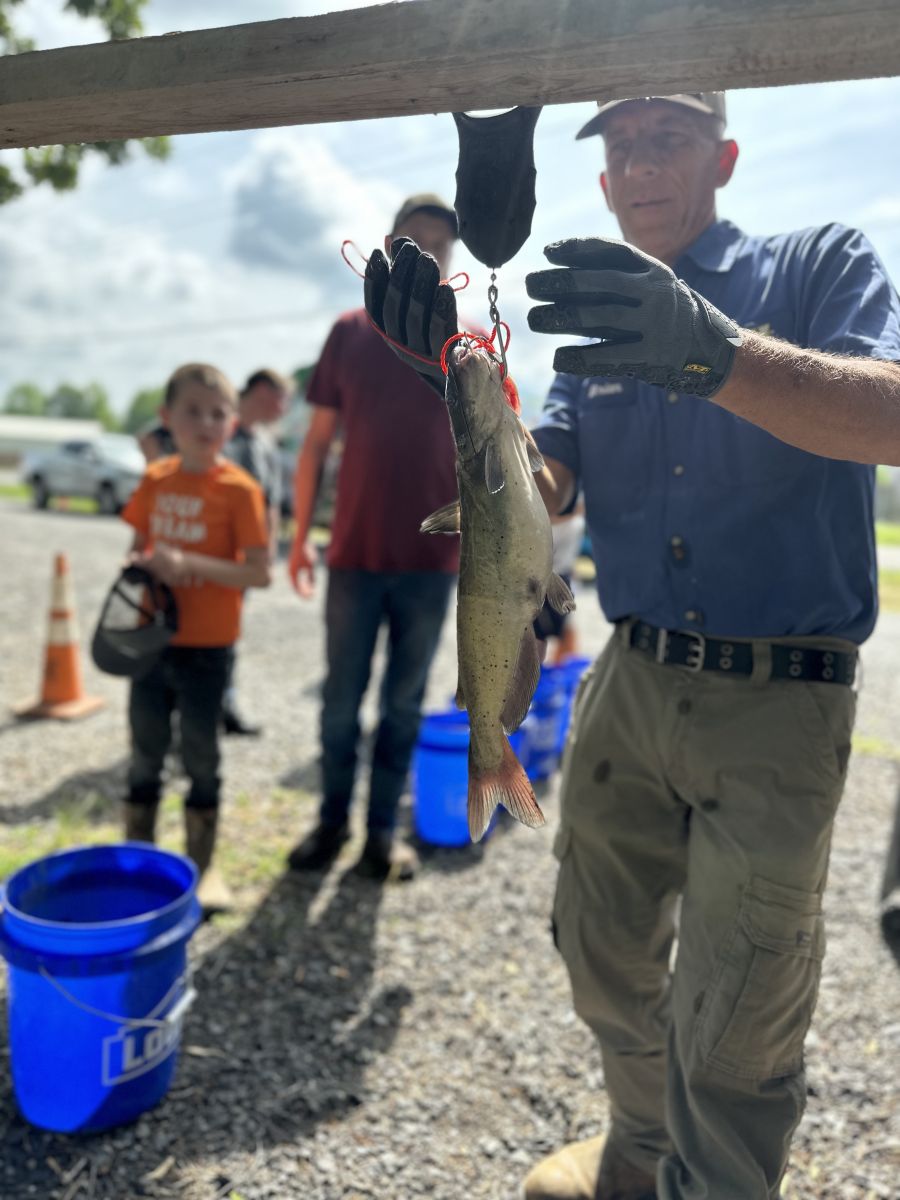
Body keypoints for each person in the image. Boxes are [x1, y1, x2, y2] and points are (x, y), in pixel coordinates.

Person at [362, 95, 900, 1199]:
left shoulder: (816, 261)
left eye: (670, 138)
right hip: (632, 671)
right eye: (622, 146)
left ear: (727, 156)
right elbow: (544, 482)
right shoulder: (595, 320)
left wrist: (720, 357)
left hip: (781, 693)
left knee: (741, 1002)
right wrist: (461, 393)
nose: (643, 163)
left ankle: (715, 1185)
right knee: (599, 945)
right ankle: (639, 1151)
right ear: (600, 182)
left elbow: (892, 413)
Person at [286, 193, 461, 883]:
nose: (429, 258)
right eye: (416, 245)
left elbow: (484, 453)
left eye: (441, 248)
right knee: (339, 701)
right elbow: (316, 445)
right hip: (354, 553)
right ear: (390, 247)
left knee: (404, 704)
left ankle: (380, 835)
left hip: (432, 560)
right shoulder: (350, 332)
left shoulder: (464, 342)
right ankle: (331, 823)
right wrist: (299, 537)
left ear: (452, 259)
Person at [121, 363, 271, 913]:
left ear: (232, 423)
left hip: (209, 648)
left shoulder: (240, 489)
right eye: (192, 411)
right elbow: (136, 550)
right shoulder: (155, 478)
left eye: (218, 413)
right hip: (149, 640)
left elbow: (258, 572)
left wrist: (191, 563)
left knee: (202, 755)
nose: (206, 422)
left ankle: (202, 871)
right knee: (144, 752)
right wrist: (150, 562)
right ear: (167, 418)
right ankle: (137, 864)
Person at [221, 367, 292, 736]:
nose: (284, 408)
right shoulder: (216, 425)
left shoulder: (264, 441)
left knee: (229, 633)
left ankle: (224, 704)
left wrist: (268, 550)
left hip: (245, 560)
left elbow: (273, 501)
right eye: (282, 399)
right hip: (214, 554)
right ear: (262, 391)